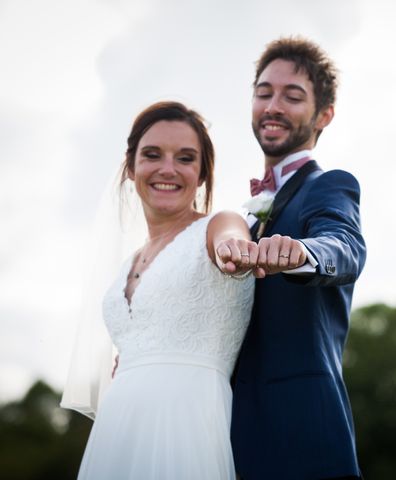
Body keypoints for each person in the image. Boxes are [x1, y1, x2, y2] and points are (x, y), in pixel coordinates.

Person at [69, 101, 256, 479]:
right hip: (117, 428)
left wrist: (233, 249)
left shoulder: (219, 225)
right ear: (131, 166)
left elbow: (232, 240)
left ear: (201, 174)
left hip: (188, 422)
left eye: (185, 158)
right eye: (152, 155)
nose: (167, 169)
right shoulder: (128, 263)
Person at [231, 37, 367, 480]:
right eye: (264, 92)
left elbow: (344, 246)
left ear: (324, 114)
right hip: (228, 437)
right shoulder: (238, 218)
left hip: (303, 433)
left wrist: (302, 252)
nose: (273, 105)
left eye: (293, 96)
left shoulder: (329, 186)